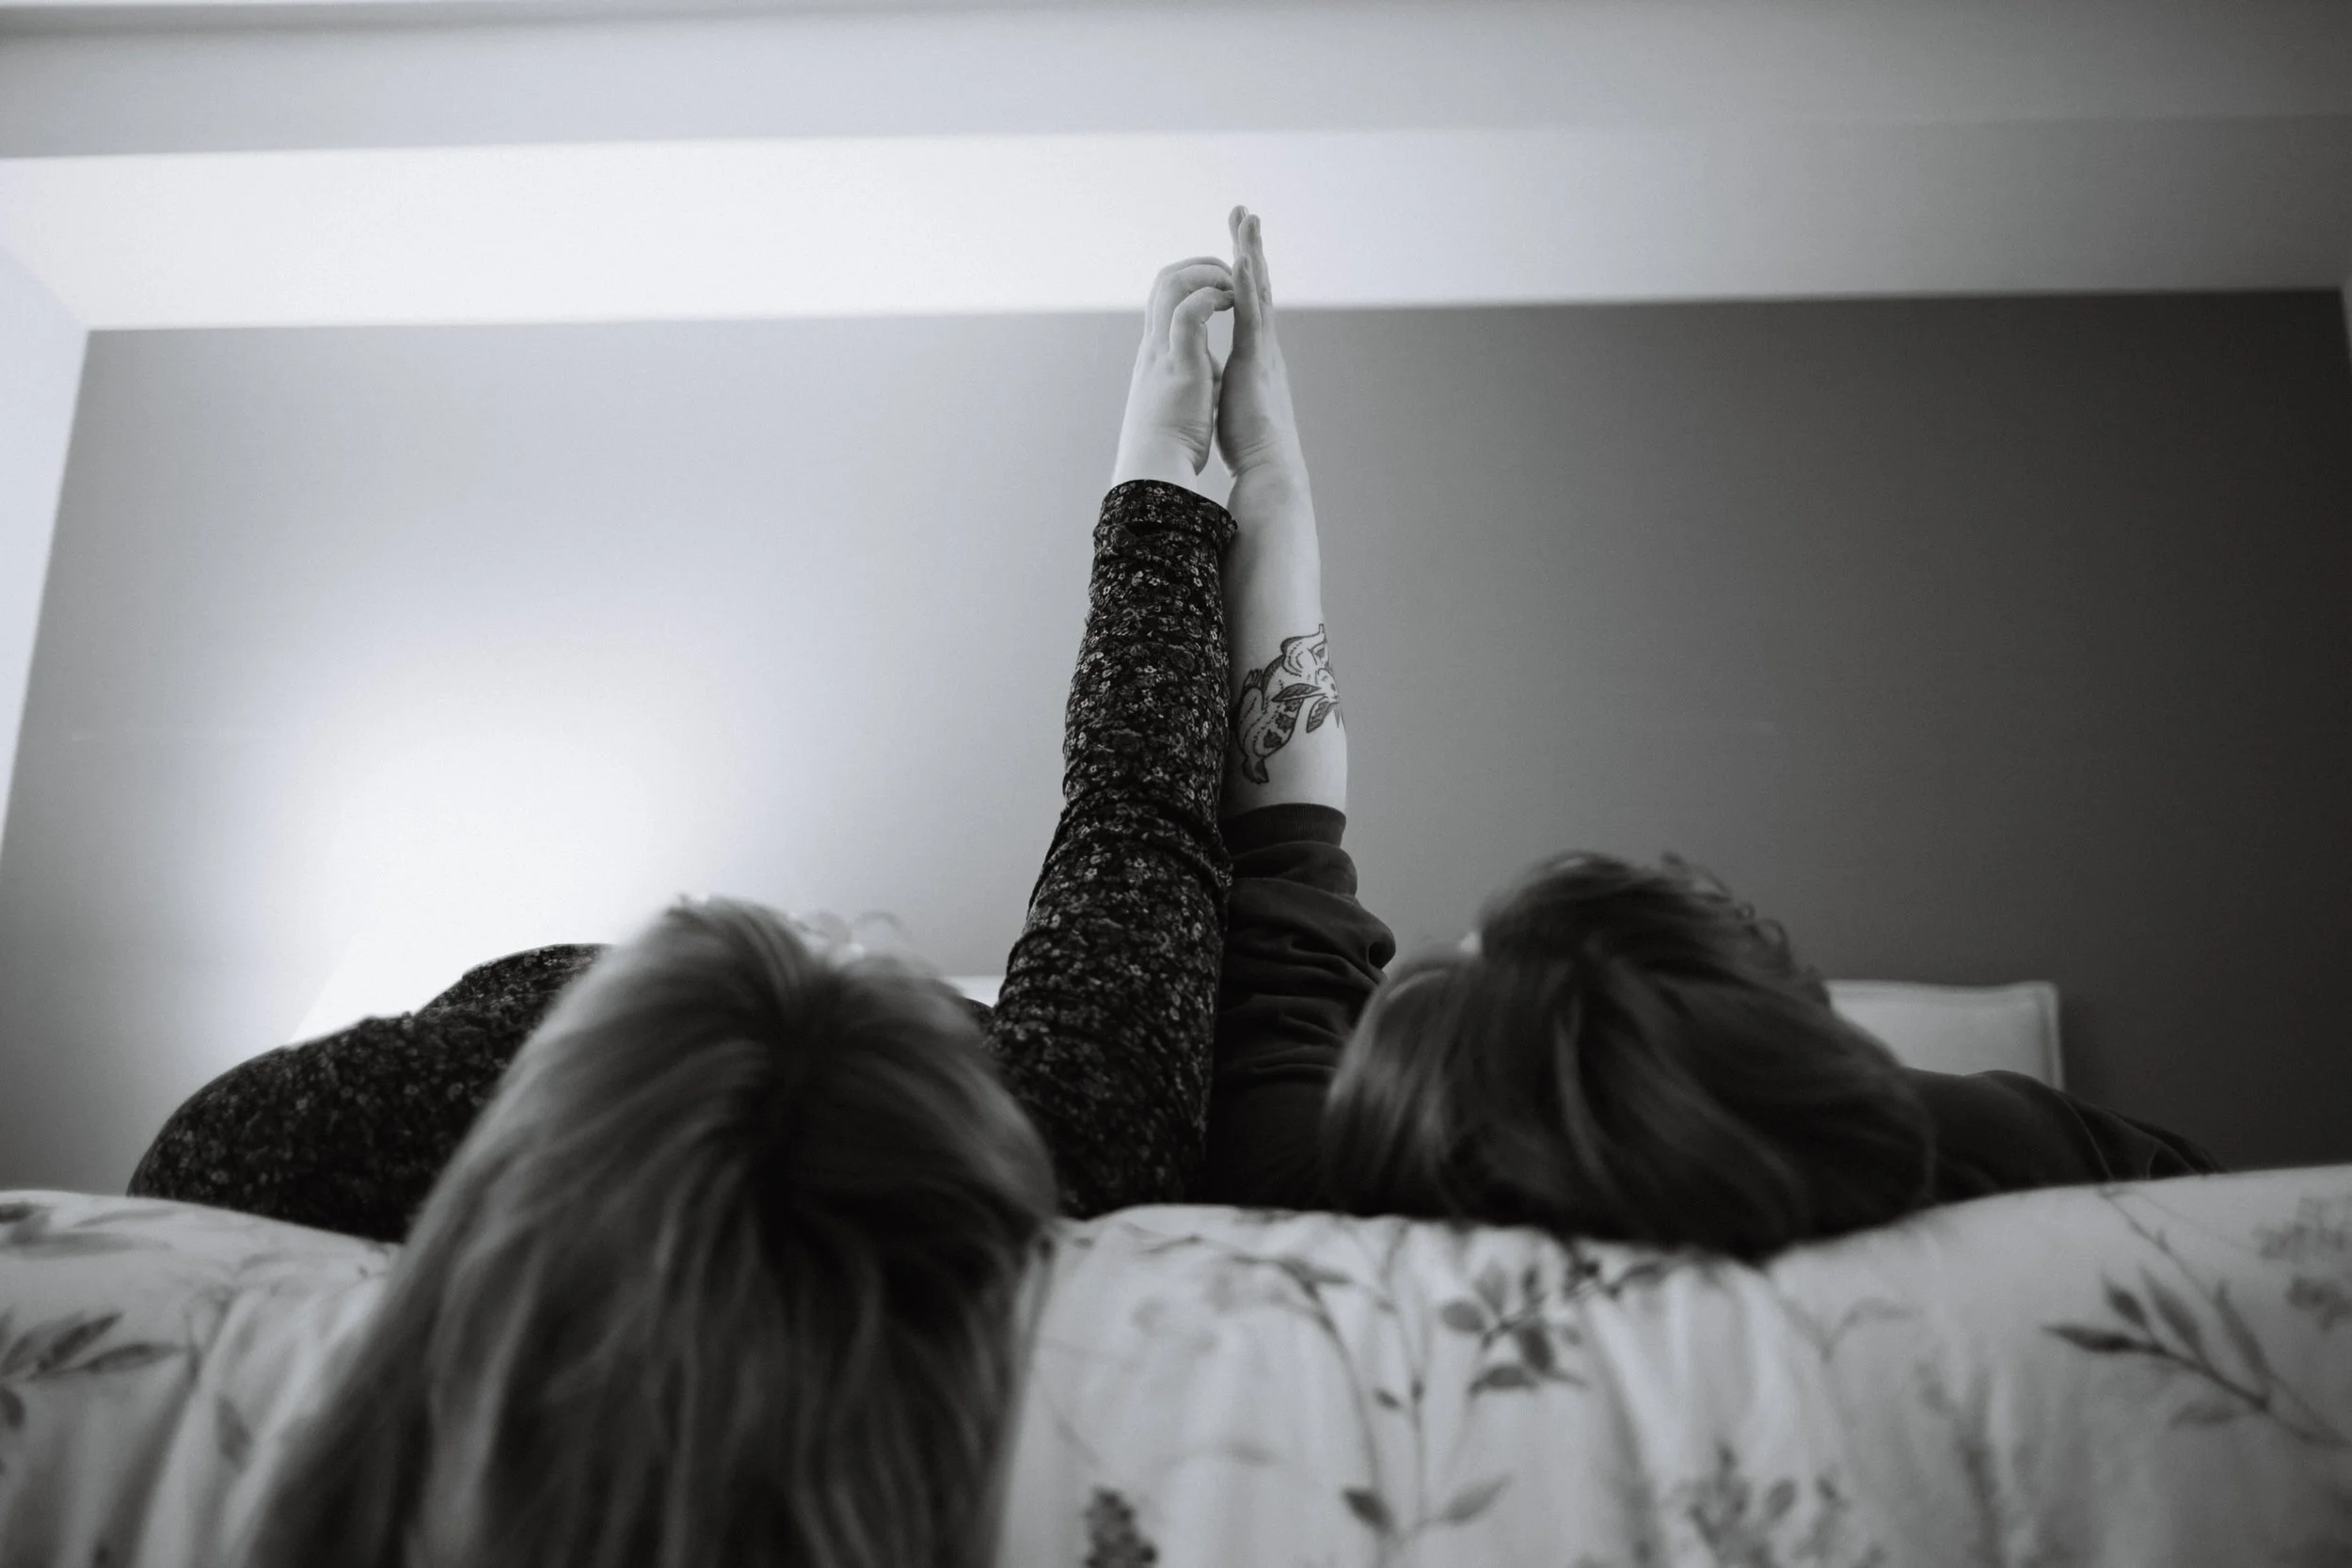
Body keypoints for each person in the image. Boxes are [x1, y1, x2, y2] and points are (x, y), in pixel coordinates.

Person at [121, 207, 1361, 1566]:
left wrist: (1165, 471)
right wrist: (1191, 477)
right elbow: (1139, 823)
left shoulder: (269, 1168)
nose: (823, 926)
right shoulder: (1065, 1163)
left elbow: (1140, 821)